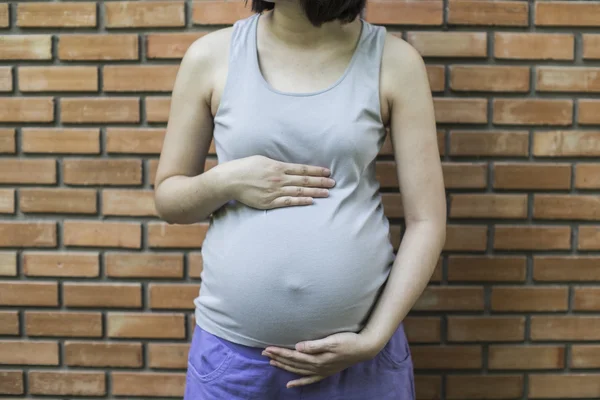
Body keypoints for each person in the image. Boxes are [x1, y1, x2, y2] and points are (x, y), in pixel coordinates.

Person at [153, 0, 446, 398]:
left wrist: (374, 338)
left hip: (360, 361)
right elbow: (169, 199)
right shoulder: (211, 56)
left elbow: (427, 221)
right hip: (236, 363)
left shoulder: (393, 61)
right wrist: (228, 180)